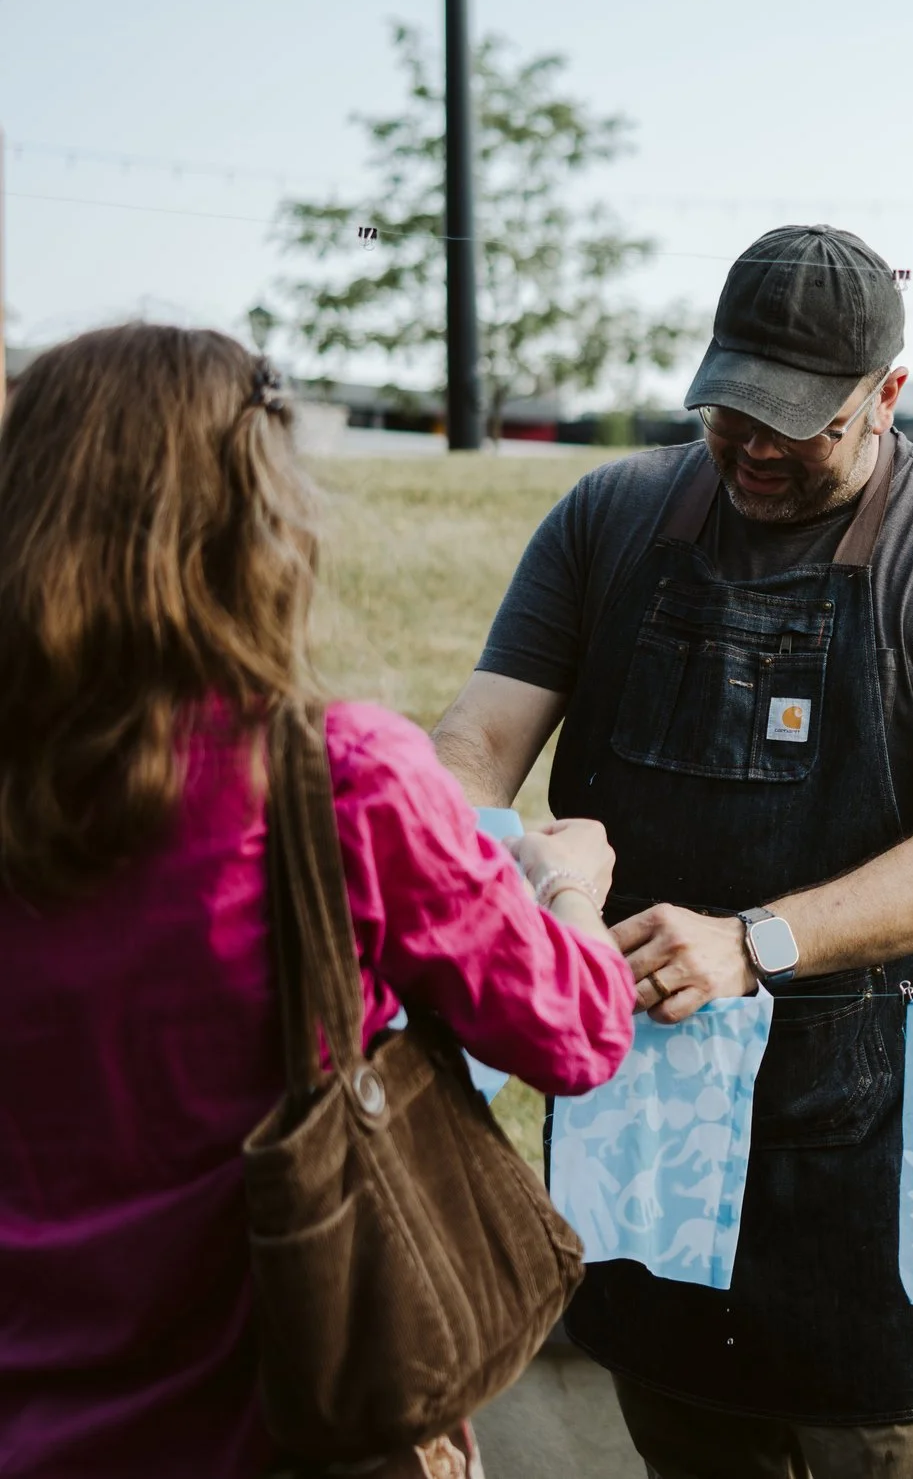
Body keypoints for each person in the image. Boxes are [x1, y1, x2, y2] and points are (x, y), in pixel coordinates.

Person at [429, 225, 913, 1478]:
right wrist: (531, 864)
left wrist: (750, 943)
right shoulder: (609, 519)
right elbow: (469, 752)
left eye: (802, 422)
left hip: (878, 1172)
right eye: (732, 408)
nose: (755, 448)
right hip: (644, 1149)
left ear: (886, 395)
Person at [0, 325, 641, 1479]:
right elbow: (577, 1029)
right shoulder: (336, 777)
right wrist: (567, 885)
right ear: (257, 530)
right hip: (290, 1426)